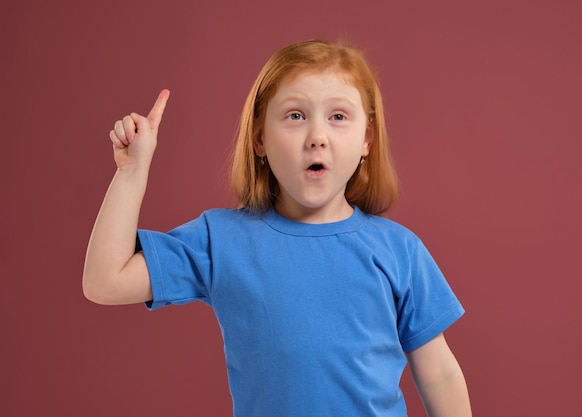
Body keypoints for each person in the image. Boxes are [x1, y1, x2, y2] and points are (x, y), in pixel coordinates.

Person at [83, 39, 472, 417]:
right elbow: (105, 281)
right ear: (259, 139)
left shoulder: (400, 251)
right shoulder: (222, 240)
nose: (317, 138)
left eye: (338, 117)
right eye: (295, 116)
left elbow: (439, 376)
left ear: (366, 139)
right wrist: (132, 172)